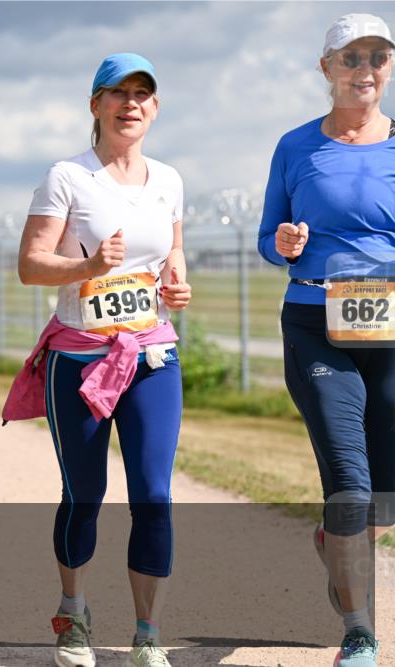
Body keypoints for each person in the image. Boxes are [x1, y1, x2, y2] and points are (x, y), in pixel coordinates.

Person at [3, 53, 191, 667]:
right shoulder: (67, 177)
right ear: (96, 105)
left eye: (143, 94)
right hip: (79, 358)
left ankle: (146, 635)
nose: (130, 104)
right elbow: (31, 264)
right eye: (118, 94)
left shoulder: (168, 179)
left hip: (152, 355)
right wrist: (87, 267)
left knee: (153, 496)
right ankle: (74, 614)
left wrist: (177, 287)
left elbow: (174, 255)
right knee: (85, 493)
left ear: (155, 108)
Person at [257, 14, 394, 667]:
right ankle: (360, 632)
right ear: (327, 68)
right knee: (350, 481)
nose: (364, 69)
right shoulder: (296, 147)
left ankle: (331, 541)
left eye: (377, 56)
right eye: (351, 57)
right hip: (316, 323)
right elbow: (267, 236)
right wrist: (282, 242)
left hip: (391, 328)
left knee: (383, 501)